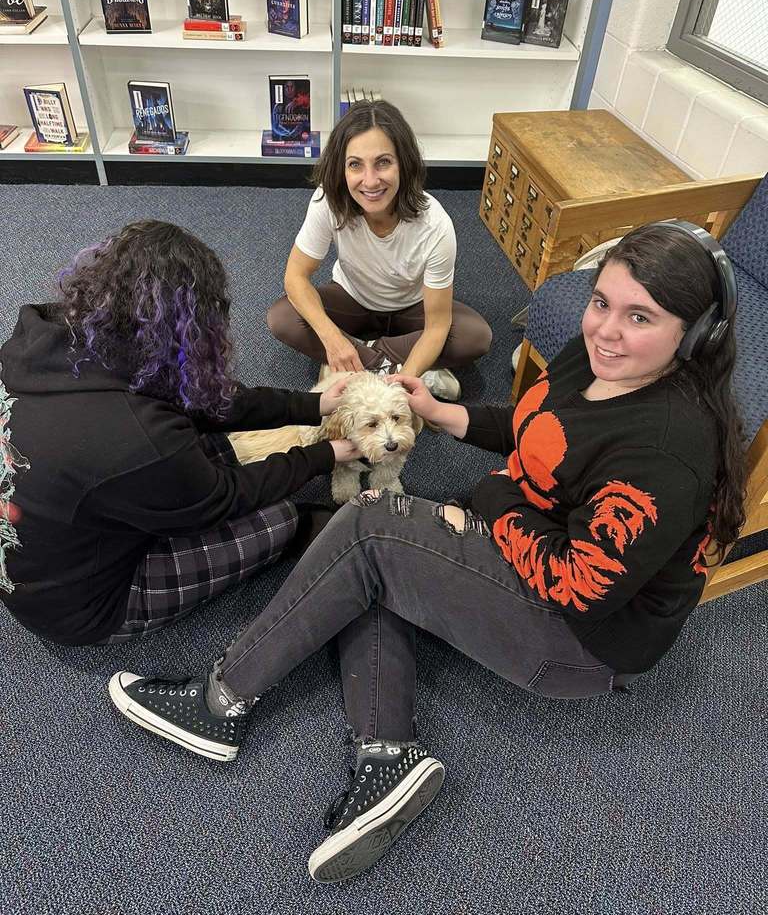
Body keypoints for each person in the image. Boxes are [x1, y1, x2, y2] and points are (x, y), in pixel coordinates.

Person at [108, 222, 746, 883]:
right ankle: (388, 754)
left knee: (368, 528)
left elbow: (575, 585)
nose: (606, 329)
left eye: (640, 316)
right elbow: (539, 432)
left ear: (695, 335)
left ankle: (219, 703)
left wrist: (495, 503)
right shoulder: (600, 358)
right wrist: (444, 415)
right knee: (371, 553)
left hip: (581, 635)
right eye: (602, 302)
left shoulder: (666, 449)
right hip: (538, 541)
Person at [0, 220, 360, 646]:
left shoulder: (47, 338)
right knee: (278, 518)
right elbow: (225, 497)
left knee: (197, 445)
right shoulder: (140, 437)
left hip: (40, 554)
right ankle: (292, 530)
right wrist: (324, 456)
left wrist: (312, 405)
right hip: (83, 609)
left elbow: (202, 398)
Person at [266, 99, 493, 401]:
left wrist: (401, 384)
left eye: (383, 162)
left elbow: (437, 326)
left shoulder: (436, 224)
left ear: (404, 163)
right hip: (353, 298)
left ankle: (354, 367)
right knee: (283, 317)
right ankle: (388, 364)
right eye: (355, 164)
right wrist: (333, 340)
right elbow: (295, 277)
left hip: (412, 307)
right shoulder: (329, 201)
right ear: (341, 168)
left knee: (474, 336)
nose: (370, 181)